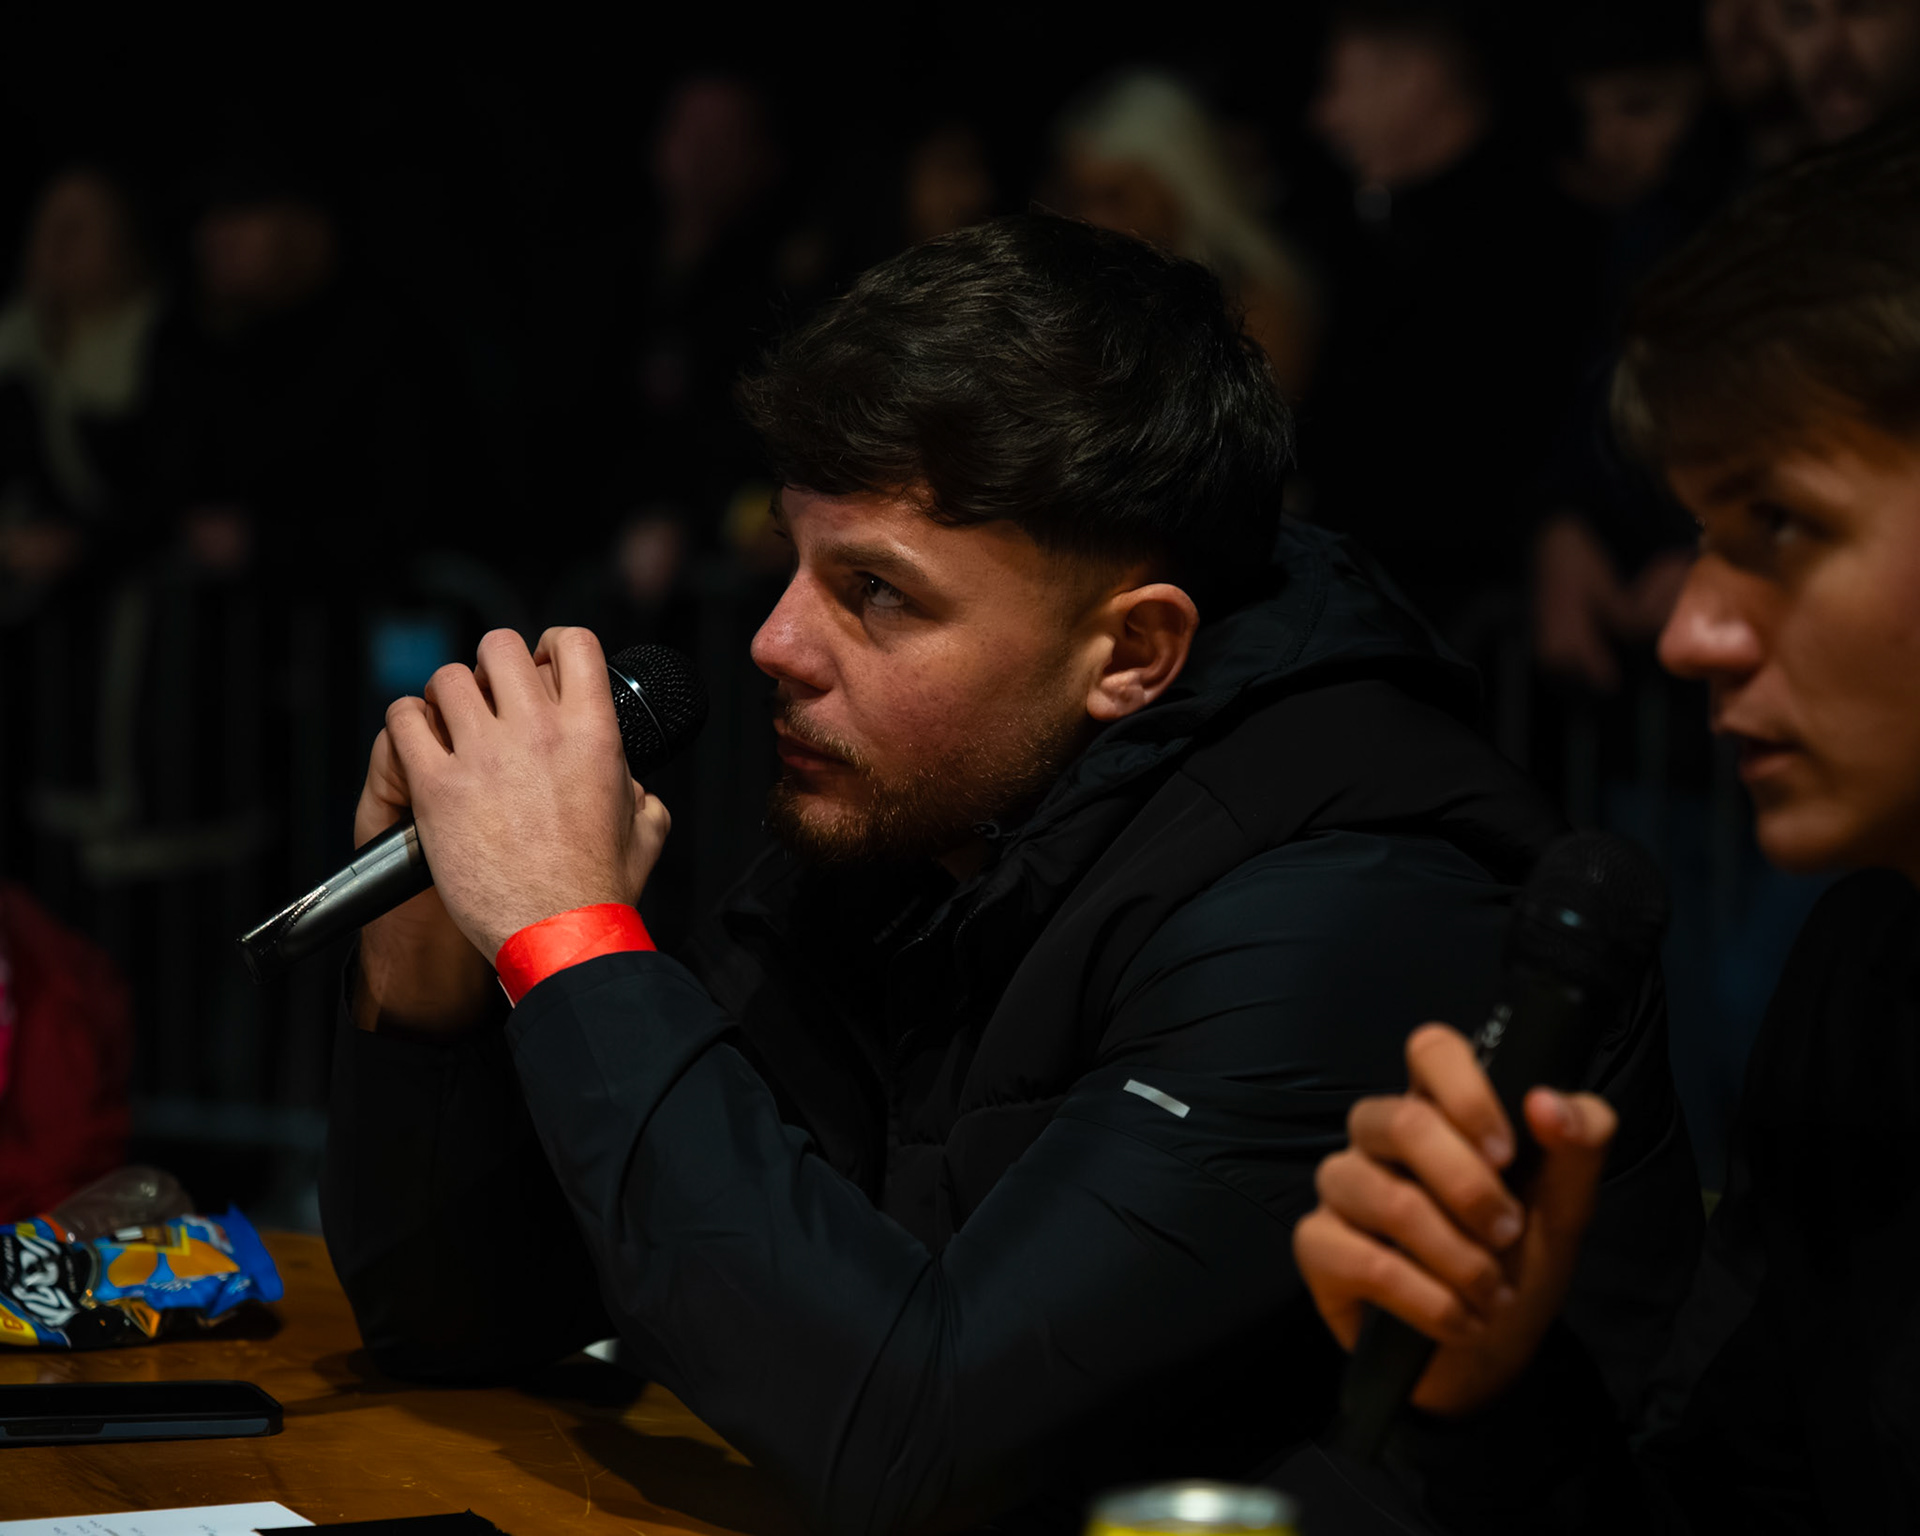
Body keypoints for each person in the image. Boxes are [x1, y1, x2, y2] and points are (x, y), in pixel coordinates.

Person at [320, 216, 1700, 1536]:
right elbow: (462, 1322)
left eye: (877, 592)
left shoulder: (1351, 908)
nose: (775, 642)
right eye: (791, 560)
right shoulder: (913, 816)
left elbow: (914, 1440)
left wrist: (570, 940)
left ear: (1132, 654)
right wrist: (438, 989)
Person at [1292, 120, 1920, 1530]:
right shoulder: (1865, 964)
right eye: (1699, 535)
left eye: (1778, 526)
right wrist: (1490, 1387)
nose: (1691, 632)